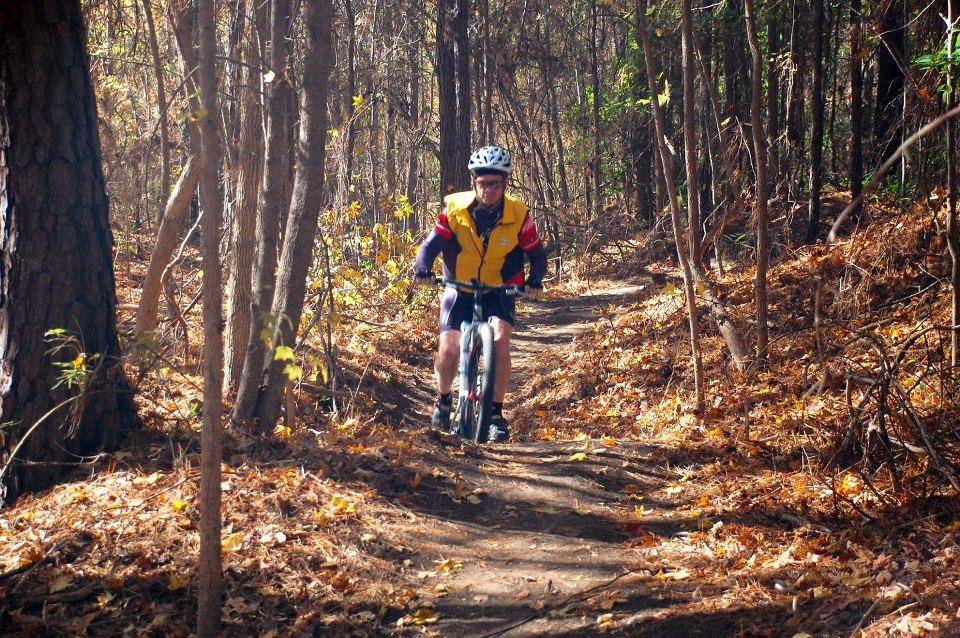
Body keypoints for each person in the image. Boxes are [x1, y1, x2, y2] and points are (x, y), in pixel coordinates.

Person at [414, 145, 547, 441]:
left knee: (500, 342)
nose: (490, 190)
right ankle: (443, 400)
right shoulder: (455, 210)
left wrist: (535, 280)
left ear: (505, 184)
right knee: (448, 348)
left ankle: (496, 414)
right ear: (474, 181)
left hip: (501, 288)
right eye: (484, 183)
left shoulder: (518, 214)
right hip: (459, 287)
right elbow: (430, 246)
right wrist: (422, 268)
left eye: (496, 184)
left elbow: (537, 255)